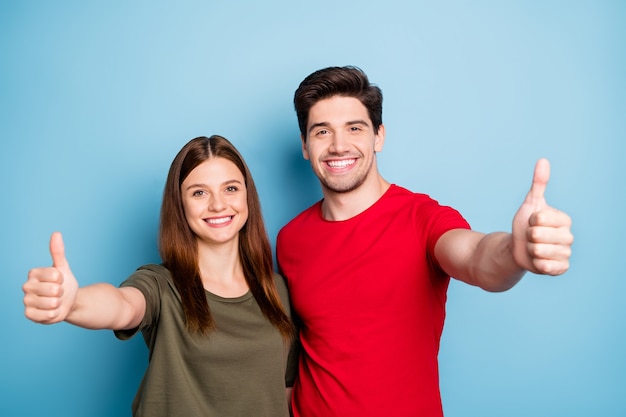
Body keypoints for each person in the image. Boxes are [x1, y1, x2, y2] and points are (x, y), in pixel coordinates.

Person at [276, 66, 574, 417]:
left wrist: (515, 252)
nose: (339, 145)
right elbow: (294, 351)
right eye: (322, 131)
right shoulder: (290, 239)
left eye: (354, 128)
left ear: (379, 136)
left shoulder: (422, 218)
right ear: (305, 146)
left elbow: (476, 257)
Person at [23, 135, 296, 417]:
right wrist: (73, 302)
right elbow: (123, 305)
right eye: (199, 193)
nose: (218, 205)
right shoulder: (161, 285)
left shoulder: (277, 292)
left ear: (247, 196)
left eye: (230, 188)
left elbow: (284, 392)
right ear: (180, 205)